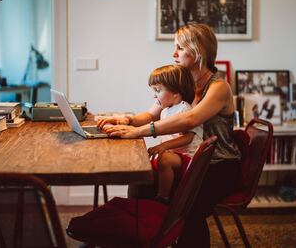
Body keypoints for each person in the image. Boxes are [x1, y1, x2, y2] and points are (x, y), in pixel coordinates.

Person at [97, 23, 241, 247]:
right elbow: (153, 113)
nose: (174, 54)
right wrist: (126, 120)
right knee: (141, 183)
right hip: (192, 161)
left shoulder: (219, 87)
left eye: (180, 48)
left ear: (198, 51)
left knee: (187, 209)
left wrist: (138, 132)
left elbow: (190, 119)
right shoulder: (182, 83)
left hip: (219, 166)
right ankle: (146, 239)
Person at [147, 64, 203, 205]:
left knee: (164, 159)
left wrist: (163, 147)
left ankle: (163, 197)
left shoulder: (184, 109)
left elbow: (188, 138)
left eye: (158, 90)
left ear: (175, 93)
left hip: (188, 157)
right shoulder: (165, 111)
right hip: (175, 155)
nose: (154, 95)